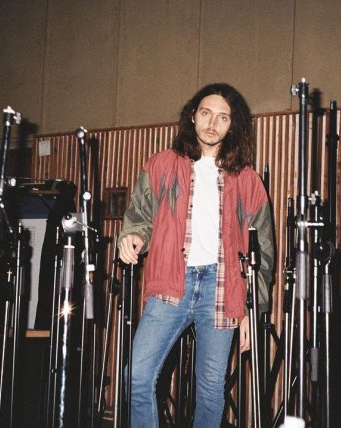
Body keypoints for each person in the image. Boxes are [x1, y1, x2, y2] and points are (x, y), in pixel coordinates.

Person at [118, 82, 274, 427]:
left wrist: (252, 309)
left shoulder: (248, 180)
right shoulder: (162, 164)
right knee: (136, 376)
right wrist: (132, 237)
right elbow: (140, 217)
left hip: (222, 287)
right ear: (193, 115)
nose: (212, 123)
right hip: (172, 282)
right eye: (206, 113)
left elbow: (262, 251)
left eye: (222, 117)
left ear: (233, 125)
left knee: (212, 390)